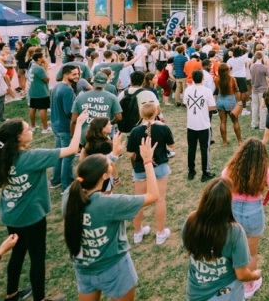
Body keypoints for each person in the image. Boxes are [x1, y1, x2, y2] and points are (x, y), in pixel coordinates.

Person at [0, 111, 88, 301]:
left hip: (11, 214)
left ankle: (11, 294)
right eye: (27, 129)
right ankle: (40, 298)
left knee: (18, 251)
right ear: (19, 137)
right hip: (31, 216)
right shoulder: (32, 157)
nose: (31, 130)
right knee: (37, 258)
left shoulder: (1, 156)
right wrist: (79, 123)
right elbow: (72, 149)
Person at [62, 139, 159, 301]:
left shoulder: (69, 196)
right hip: (114, 268)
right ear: (105, 176)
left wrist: (113, 155)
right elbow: (153, 195)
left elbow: (98, 171)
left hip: (83, 268)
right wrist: (148, 161)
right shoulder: (109, 204)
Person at [182, 178, 263, 301]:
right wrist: (255, 275)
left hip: (195, 292)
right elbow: (241, 274)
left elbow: (187, 247)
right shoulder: (234, 232)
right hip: (224, 294)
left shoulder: (191, 220)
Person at [221, 139, 269, 299]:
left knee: (233, 247)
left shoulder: (231, 168)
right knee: (251, 253)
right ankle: (249, 285)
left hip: (233, 210)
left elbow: (223, 178)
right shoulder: (263, 171)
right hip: (253, 211)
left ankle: (232, 278)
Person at [126, 102, 175, 245]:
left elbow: (129, 154)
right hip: (160, 167)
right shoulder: (163, 128)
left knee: (139, 201)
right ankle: (160, 233)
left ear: (141, 114)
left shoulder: (135, 131)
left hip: (141, 169)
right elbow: (172, 145)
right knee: (160, 199)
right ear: (156, 113)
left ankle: (137, 232)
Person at [50, 65, 79, 190]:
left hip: (56, 125)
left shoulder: (56, 86)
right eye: (74, 74)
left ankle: (55, 180)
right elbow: (69, 111)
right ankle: (67, 184)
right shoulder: (67, 89)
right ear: (66, 75)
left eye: (77, 73)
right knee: (68, 155)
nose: (77, 76)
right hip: (65, 127)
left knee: (59, 154)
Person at [185, 69, 216, 182]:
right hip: (203, 124)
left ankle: (191, 171)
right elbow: (212, 107)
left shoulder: (187, 90)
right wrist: (203, 108)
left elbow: (186, 104)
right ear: (202, 78)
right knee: (204, 149)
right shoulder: (207, 91)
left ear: (192, 79)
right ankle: (205, 172)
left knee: (191, 148)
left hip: (191, 124)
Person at [215, 63, 243, 145]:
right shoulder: (232, 79)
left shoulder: (216, 79)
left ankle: (224, 141)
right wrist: (239, 101)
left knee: (223, 122)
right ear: (227, 70)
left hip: (220, 99)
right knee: (235, 121)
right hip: (230, 100)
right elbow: (237, 90)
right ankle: (240, 141)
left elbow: (217, 89)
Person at [27, 52, 52, 134]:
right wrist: (46, 68)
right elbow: (46, 79)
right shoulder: (39, 68)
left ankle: (33, 126)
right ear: (39, 58)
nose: (44, 58)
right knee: (43, 109)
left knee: (32, 108)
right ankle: (45, 128)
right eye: (43, 56)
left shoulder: (32, 66)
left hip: (33, 91)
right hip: (41, 92)